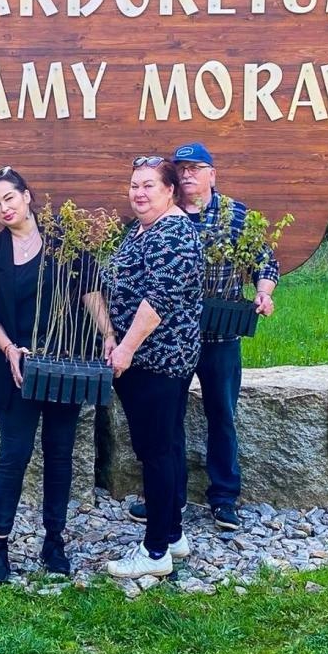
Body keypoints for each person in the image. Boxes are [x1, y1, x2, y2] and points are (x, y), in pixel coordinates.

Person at [127, 142, 278, 533]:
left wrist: (264, 292)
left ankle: (224, 498)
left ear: (213, 173)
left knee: (221, 416)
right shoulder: (164, 218)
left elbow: (265, 259)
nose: (189, 174)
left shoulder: (235, 214)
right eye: (183, 168)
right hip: (175, 339)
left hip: (219, 337)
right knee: (168, 423)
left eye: (197, 167)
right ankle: (167, 501)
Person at [0, 166, 83, 583]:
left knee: (59, 456)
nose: (4, 209)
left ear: (27, 195)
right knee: (13, 456)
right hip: (13, 371)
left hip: (63, 368)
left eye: (9, 199)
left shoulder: (66, 245)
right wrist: (9, 349)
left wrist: (109, 338)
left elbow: (89, 293)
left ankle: (54, 541)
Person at [93, 155, 203, 580]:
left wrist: (125, 350)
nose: (139, 193)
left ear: (170, 190)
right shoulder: (145, 229)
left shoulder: (173, 234)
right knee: (168, 447)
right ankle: (172, 535)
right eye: (134, 185)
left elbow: (156, 302)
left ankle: (155, 551)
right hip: (146, 362)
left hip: (156, 362)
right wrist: (110, 335)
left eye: (149, 186)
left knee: (156, 453)